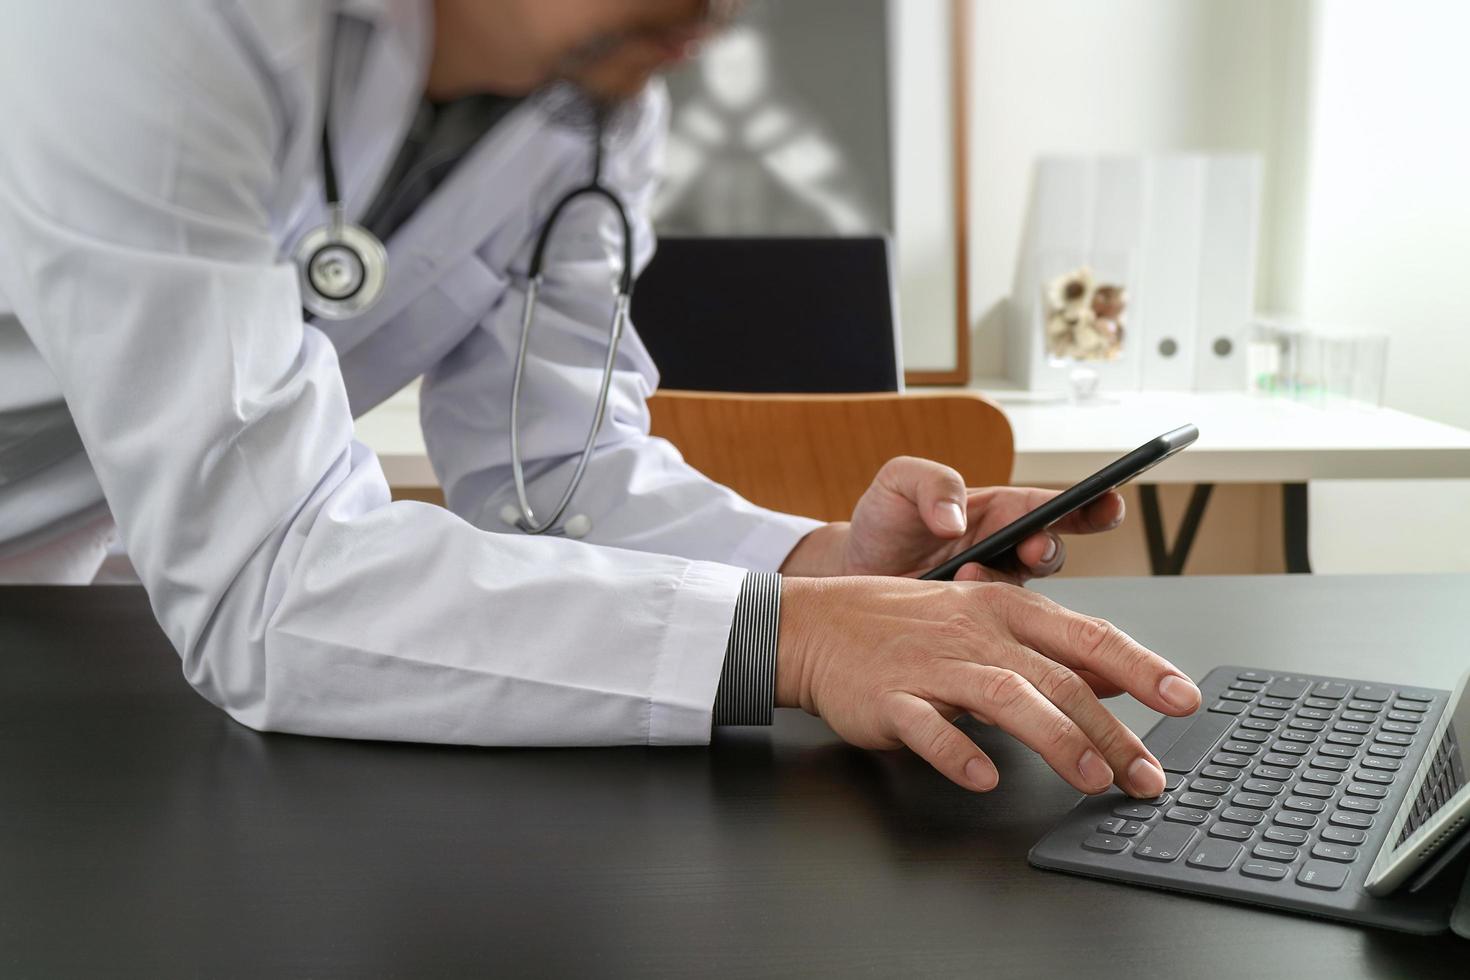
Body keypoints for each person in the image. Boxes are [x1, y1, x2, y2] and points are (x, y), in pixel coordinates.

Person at [0, 0, 1198, 801]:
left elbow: (558, 476)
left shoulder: (598, 100)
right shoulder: (148, 29)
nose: (715, 18)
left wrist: (825, 568)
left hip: (102, 606)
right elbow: (274, 580)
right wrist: (794, 636)